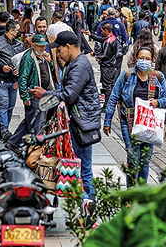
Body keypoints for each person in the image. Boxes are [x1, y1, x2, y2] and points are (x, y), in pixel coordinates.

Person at [28, 31, 101, 215]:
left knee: (82, 169)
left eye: (59, 50)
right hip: (78, 123)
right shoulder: (74, 64)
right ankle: (85, 209)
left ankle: (87, 205)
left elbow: (69, 95)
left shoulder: (80, 65)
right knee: (80, 167)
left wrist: (45, 94)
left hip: (81, 124)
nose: (57, 54)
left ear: (68, 47)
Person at [104, 47, 166, 185]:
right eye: (141, 58)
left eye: (147, 58)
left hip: (148, 123)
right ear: (135, 59)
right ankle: (131, 192)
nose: (144, 61)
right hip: (129, 122)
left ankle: (142, 191)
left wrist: (158, 102)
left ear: (152, 61)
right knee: (133, 158)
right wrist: (107, 121)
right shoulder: (127, 75)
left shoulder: (157, 77)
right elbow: (114, 97)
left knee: (145, 160)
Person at [7, 34, 55, 151]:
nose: (42, 49)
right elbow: (22, 78)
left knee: (31, 120)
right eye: (39, 46)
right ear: (33, 45)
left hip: (44, 94)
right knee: (38, 122)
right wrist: (25, 97)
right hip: (34, 95)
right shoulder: (28, 58)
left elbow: (52, 71)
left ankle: (13, 143)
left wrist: (50, 61)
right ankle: (35, 149)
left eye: (43, 46)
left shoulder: (44, 56)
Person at [0, 20, 25, 141]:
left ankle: (5, 129)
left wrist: (19, 70)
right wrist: (1, 67)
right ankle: (4, 129)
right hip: (0, 79)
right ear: (11, 30)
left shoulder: (19, 45)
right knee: (2, 105)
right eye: (17, 30)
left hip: (13, 80)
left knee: (10, 106)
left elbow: (22, 60)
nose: (19, 32)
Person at [90, 23, 121, 106]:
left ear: (106, 30)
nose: (101, 32)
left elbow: (105, 55)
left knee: (107, 86)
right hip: (110, 65)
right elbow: (101, 39)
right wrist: (91, 35)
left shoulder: (109, 41)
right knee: (109, 84)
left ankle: (107, 104)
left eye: (102, 31)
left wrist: (96, 55)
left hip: (107, 66)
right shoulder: (112, 38)